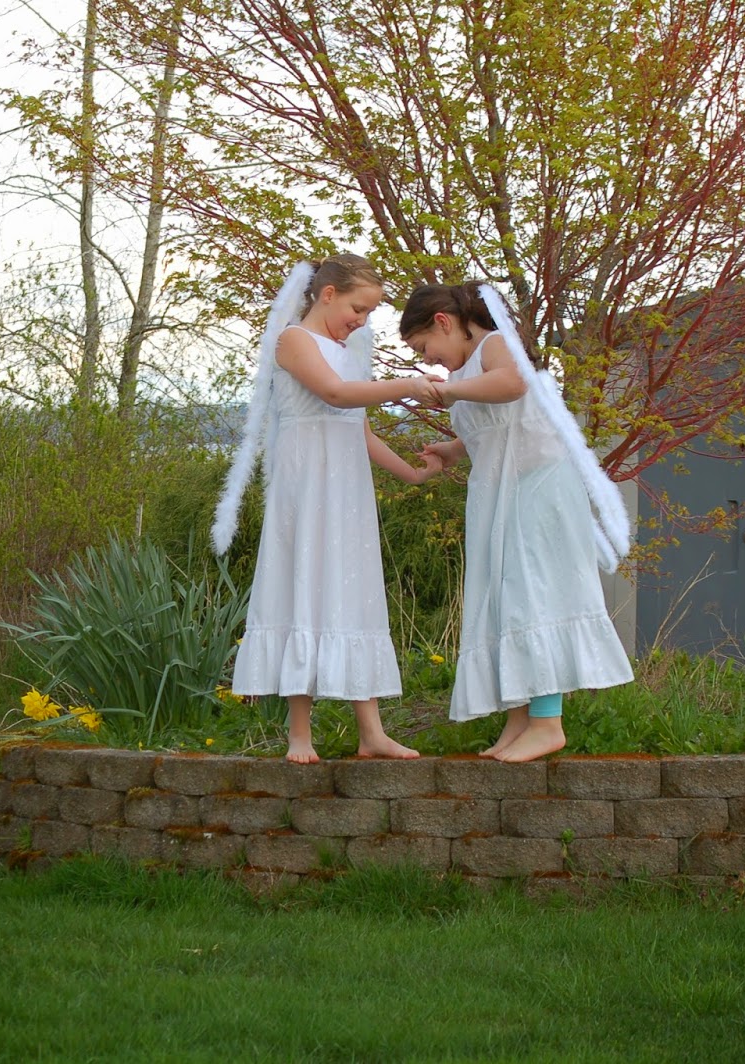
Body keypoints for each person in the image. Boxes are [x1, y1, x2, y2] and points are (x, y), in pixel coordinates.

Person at [212, 255, 442, 763]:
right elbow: (336, 395)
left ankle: (371, 733)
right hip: (306, 485)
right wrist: (409, 386)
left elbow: (359, 429)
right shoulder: (294, 340)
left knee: (352, 590)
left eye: (369, 313)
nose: (362, 320)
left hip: (347, 490)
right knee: (303, 586)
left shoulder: (349, 353)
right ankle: (299, 733)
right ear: (328, 294)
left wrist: (412, 473)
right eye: (358, 309)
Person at [399, 282, 634, 762]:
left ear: (443, 322)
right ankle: (520, 717)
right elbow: (497, 423)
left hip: (538, 489)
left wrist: (448, 391)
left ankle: (547, 722)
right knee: (507, 599)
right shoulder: (466, 368)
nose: (429, 360)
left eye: (424, 347)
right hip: (503, 494)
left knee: (534, 594)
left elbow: (514, 385)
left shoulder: (494, 345)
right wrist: (452, 449)